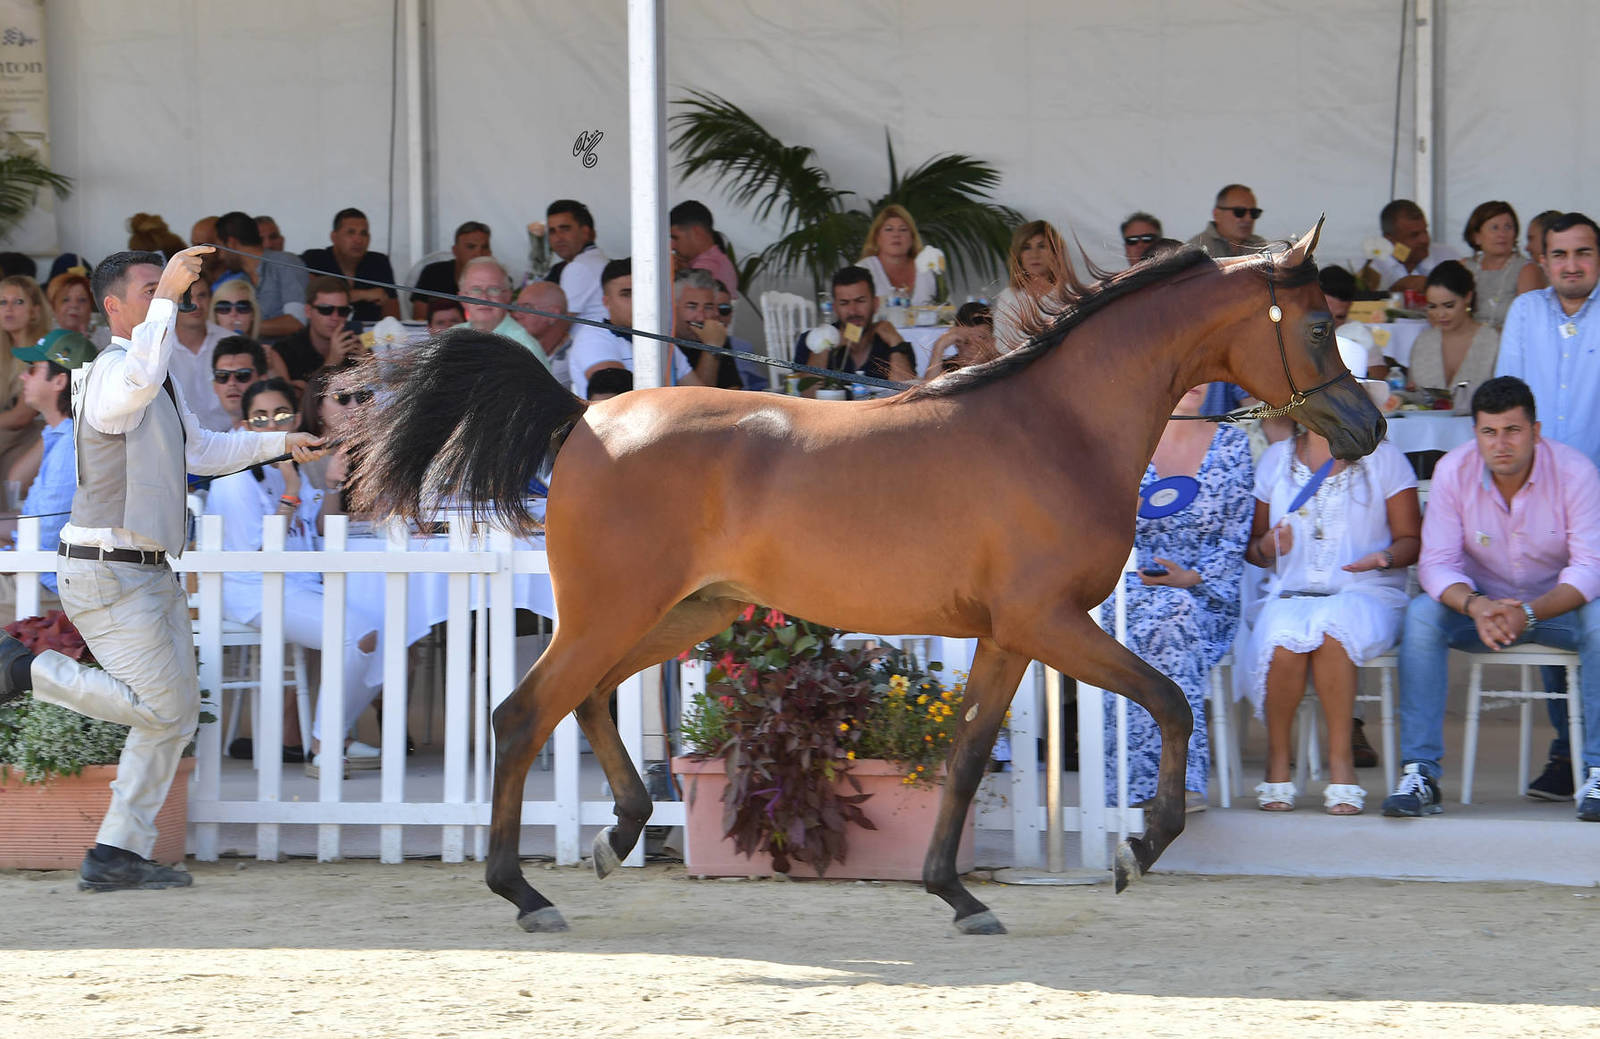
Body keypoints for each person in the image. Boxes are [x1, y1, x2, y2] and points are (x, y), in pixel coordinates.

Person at [0, 247, 325, 891]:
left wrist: (278, 442)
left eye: (168, 288)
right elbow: (136, 388)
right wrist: (171, 301)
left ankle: (117, 851)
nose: (167, 297)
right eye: (151, 290)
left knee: (172, 715)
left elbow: (202, 450)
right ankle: (22, 670)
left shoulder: (156, 370)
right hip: (109, 571)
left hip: (145, 569)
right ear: (113, 308)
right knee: (162, 708)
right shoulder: (107, 373)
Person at [1384, 377, 1600, 822]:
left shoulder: (1576, 472)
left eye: (1513, 431)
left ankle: (1598, 770)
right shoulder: (1454, 472)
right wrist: (1477, 606)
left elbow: (1590, 568)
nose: (1501, 444)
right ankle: (1420, 773)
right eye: (1489, 432)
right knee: (1423, 616)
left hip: (1553, 609)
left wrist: (1527, 613)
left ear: (1536, 432)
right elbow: (1437, 564)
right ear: (1475, 433)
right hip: (1481, 613)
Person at [1237, 421, 1420, 814]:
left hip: (1366, 591)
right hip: (1290, 592)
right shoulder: (1276, 459)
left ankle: (1342, 764)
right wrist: (1269, 545)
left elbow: (1411, 540)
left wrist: (1383, 558)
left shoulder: (1384, 458)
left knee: (1332, 633)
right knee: (1283, 638)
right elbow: (1253, 549)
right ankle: (1277, 761)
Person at [204, 377, 384, 772]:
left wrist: (332, 484)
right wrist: (289, 489)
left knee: (388, 631)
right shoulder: (237, 475)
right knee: (358, 635)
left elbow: (322, 529)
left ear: (297, 420)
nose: (273, 427)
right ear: (246, 425)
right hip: (255, 589)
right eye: (261, 419)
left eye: (282, 417)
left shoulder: (291, 467)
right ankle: (324, 743)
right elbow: (261, 554)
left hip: (300, 584)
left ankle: (337, 735)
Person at [1102, 384, 1254, 811]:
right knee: (1156, 618)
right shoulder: (1124, 439)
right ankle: (1159, 783)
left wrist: (1192, 578)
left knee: (1175, 613)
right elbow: (1083, 526)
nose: (1196, 380)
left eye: (1204, 370)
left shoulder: (1232, 443)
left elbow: (1235, 535)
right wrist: (1119, 513)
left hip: (1204, 593)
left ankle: (1167, 783)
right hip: (1126, 583)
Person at [1491, 211, 1600, 796]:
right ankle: (1567, 752)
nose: (1572, 265)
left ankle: (1591, 756)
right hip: (1537, 500)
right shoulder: (1526, 313)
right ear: (1544, 260)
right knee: (1546, 617)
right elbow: (1508, 403)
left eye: (1583, 254)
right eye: (1560, 255)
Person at [0, 330, 96, 617]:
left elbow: (44, 540)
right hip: (39, 577)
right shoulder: (64, 437)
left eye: (33, 370)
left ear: (59, 380)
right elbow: (37, 525)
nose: (23, 378)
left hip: (44, 586)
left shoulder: (70, 446)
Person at [566, 257, 694, 399]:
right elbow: (612, 398)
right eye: (626, 294)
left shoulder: (659, 337)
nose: (637, 301)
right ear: (606, 302)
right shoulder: (592, 337)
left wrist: (713, 347)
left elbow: (699, 394)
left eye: (642, 293)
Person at [792, 265, 918, 390]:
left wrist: (895, 343)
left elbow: (905, 398)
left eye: (860, 301)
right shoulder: (810, 342)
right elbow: (808, 396)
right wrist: (824, 345)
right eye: (844, 303)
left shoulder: (894, 344)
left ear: (875, 304)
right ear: (835, 308)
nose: (853, 311)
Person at [1407, 261, 1500, 402]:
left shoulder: (1493, 341)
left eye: (1449, 306)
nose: (1440, 314)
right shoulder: (1423, 342)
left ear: (1468, 297)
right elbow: (1415, 395)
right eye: (1432, 306)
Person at [214, 211, 305, 338]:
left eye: (220, 247)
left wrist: (241, 326)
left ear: (231, 243)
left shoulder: (285, 263)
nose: (220, 256)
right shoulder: (241, 279)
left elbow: (297, 322)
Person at [299, 207, 398, 323]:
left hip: (370, 338)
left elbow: (393, 319)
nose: (358, 240)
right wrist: (364, 294)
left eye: (363, 233)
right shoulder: (314, 259)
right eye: (351, 233)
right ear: (334, 237)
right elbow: (312, 299)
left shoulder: (379, 262)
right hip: (326, 336)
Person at [167, 275, 233, 433]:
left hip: (231, 441)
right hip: (179, 442)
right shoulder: (158, 349)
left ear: (211, 299)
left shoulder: (232, 342)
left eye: (202, 295)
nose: (195, 304)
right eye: (186, 298)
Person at [1461, 201, 1541, 331]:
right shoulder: (1464, 267)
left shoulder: (1526, 270)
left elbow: (1528, 323)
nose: (1502, 234)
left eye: (1508, 227)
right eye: (1494, 228)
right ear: (1477, 237)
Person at [270, 276, 362, 385]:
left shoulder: (355, 346)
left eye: (343, 311)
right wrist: (331, 363)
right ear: (308, 311)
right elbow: (291, 401)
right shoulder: (285, 351)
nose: (335, 317)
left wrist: (366, 366)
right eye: (326, 310)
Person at [455, 257, 547, 367]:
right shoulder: (451, 339)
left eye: (494, 289)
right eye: (476, 290)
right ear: (462, 298)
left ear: (508, 296)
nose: (484, 298)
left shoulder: (525, 348)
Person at [0, 275, 50, 474]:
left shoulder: (42, 349)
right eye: (2, 302)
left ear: (34, 312)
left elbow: (22, 416)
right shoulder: (5, 352)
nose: (8, 308)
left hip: (39, 433)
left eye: (18, 302)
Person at [994, 220, 1067, 354]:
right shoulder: (1008, 297)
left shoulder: (1069, 294)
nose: (1034, 255)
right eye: (1026, 247)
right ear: (1018, 256)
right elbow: (1001, 347)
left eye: (1042, 246)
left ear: (1055, 253)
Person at [541, 199, 608, 323]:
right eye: (552, 231)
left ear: (585, 232)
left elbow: (558, 324)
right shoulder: (594, 259)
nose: (558, 238)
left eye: (565, 229)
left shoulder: (579, 266)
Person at [673, 269, 741, 388]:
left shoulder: (715, 334)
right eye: (692, 307)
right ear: (673, 308)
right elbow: (699, 400)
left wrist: (713, 344)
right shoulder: (662, 342)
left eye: (708, 307)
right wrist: (711, 347)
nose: (701, 317)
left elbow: (733, 391)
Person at [410, 220, 491, 320]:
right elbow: (419, 320)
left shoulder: (498, 280)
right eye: (471, 247)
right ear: (455, 250)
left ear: (490, 252)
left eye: (485, 247)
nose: (478, 253)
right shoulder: (432, 273)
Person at [1362, 199, 1447, 292]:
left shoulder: (1446, 255)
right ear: (1390, 239)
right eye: (1414, 235)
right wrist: (1393, 291)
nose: (1425, 240)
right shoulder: (1374, 269)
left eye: (1425, 231)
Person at [857, 204, 936, 305]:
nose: (896, 235)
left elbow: (943, 310)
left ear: (912, 238)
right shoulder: (863, 270)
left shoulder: (925, 269)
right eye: (889, 229)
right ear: (877, 237)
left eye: (903, 229)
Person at [510, 281, 572, 389]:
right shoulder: (517, 347)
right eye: (517, 307)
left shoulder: (572, 358)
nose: (516, 314)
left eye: (527, 307)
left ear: (552, 315)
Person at [669, 201, 738, 297]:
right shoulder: (717, 260)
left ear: (697, 232)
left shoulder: (708, 266)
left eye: (676, 238)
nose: (672, 246)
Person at [921, 301, 998, 380]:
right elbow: (928, 389)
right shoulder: (949, 368)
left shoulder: (1004, 366)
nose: (972, 347)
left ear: (992, 342)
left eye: (981, 338)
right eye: (966, 341)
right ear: (956, 344)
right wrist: (939, 346)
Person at [1187, 185, 1267, 259]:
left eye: (1254, 212)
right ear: (1217, 214)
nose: (1248, 219)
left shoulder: (1259, 245)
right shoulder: (1196, 249)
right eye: (1239, 212)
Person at [210, 335, 268, 428]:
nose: (231, 383)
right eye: (222, 376)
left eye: (243, 375)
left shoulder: (275, 432)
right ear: (214, 386)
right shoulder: (221, 437)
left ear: (263, 381)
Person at [47, 271, 96, 337]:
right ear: (53, 306)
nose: (74, 305)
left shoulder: (107, 340)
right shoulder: (42, 339)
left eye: (82, 300)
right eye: (66, 300)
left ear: (91, 306)